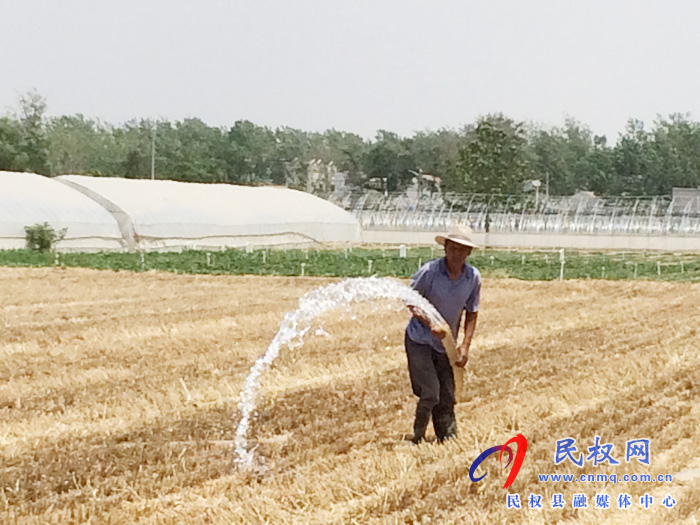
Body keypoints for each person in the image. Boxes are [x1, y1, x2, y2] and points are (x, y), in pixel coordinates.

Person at [405, 224, 481, 444]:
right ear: (445, 248)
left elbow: (472, 312)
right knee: (430, 392)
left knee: (447, 396)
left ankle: (447, 440)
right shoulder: (429, 272)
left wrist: (465, 345)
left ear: (468, 253)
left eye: (461, 250)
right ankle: (417, 437)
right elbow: (411, 300)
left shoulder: (472, 278)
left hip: (446, 344)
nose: (456, 254)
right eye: (452, 248)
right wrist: (430, 323)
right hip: (420, 339)